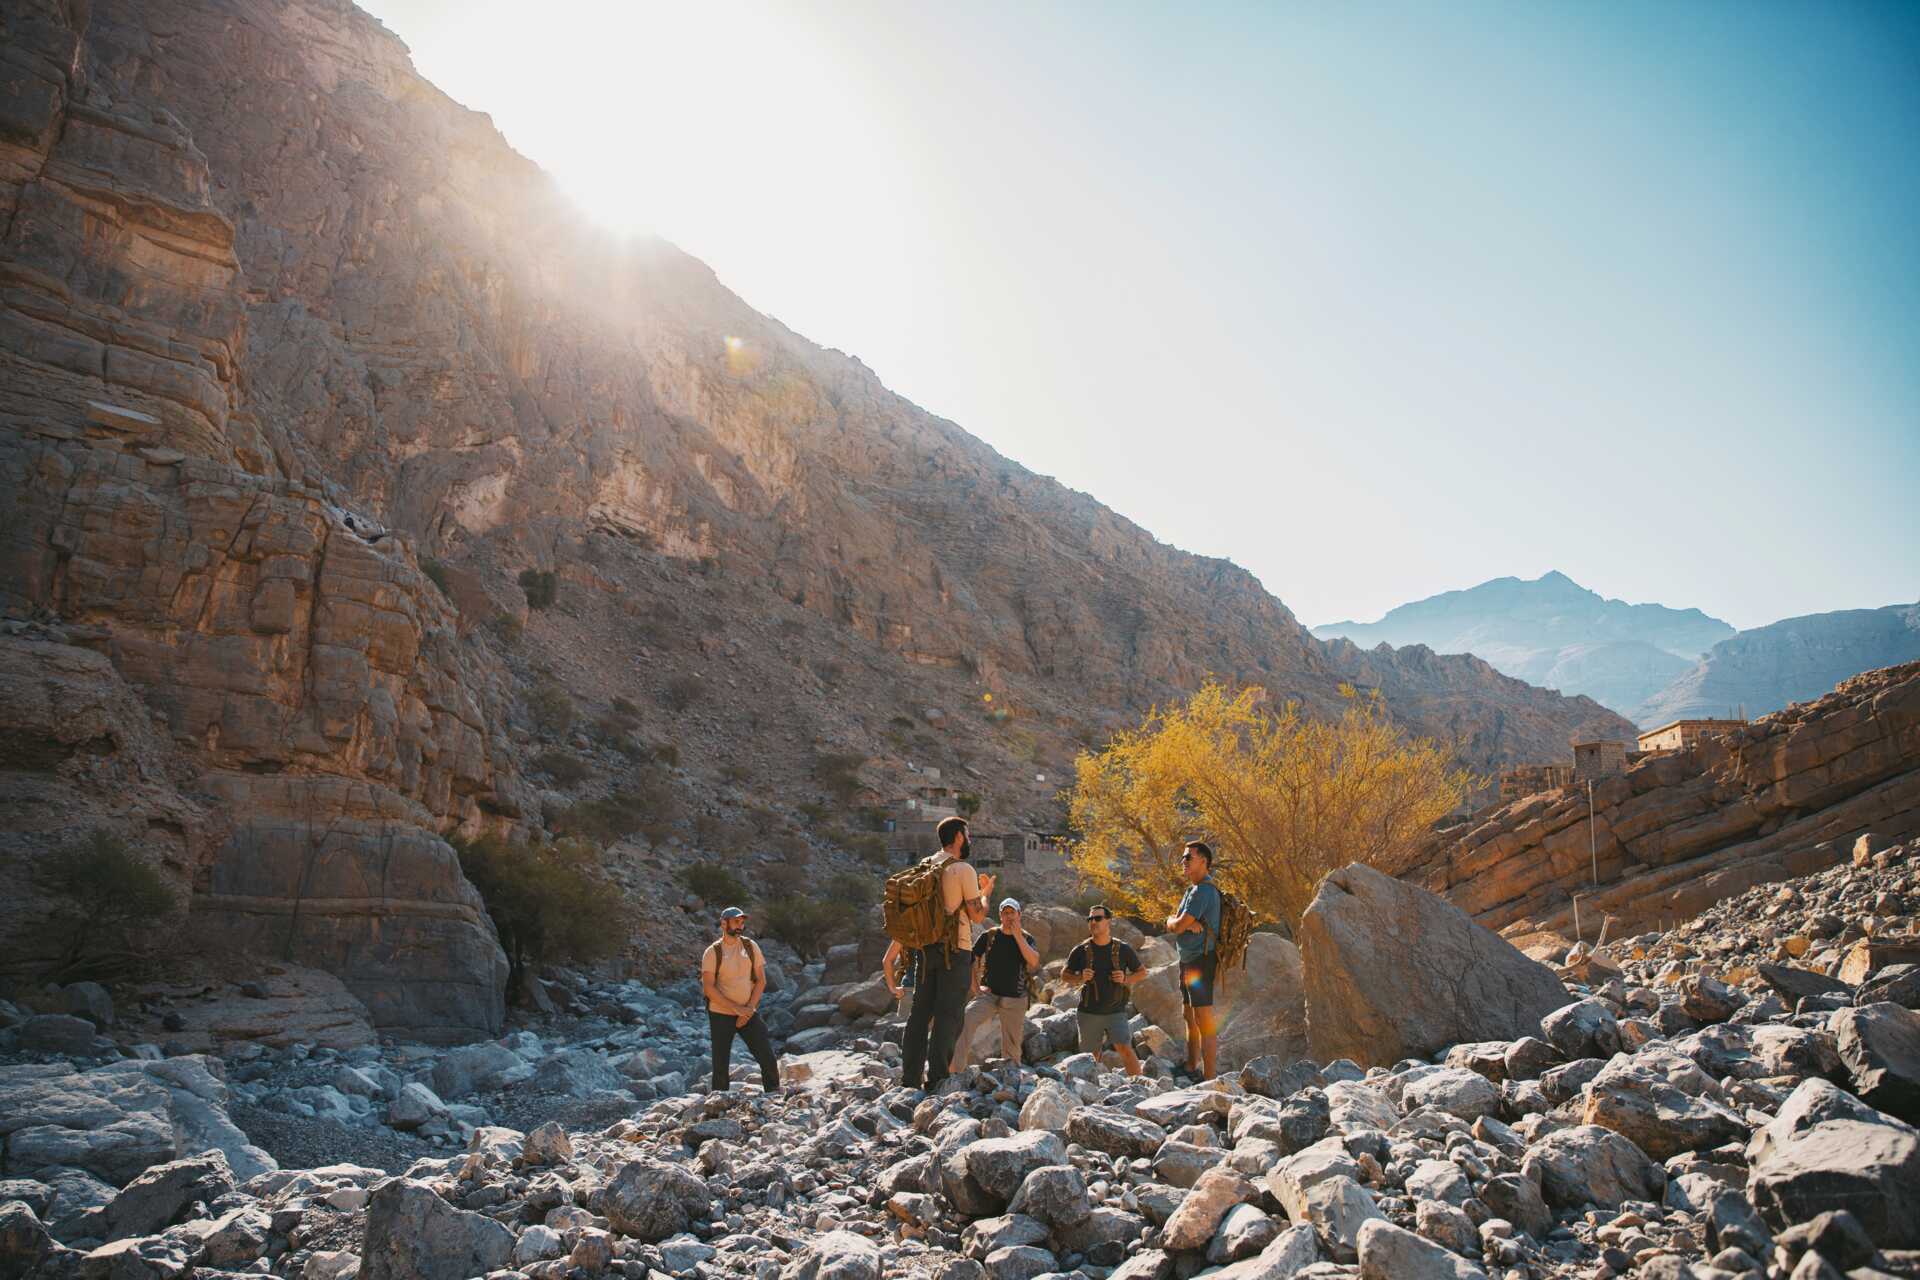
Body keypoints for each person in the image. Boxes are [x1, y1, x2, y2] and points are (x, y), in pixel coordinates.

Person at [900, 816, 992, 1092]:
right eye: (968, 834)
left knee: (919, 1014)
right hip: (955, 948)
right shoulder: (962, 869)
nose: (970, 839)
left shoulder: (925, 866)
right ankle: (938, 1078)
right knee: (949, 1014)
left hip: (925, 950)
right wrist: (986, 894)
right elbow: (976, 915)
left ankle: (909, 1079)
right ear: (959, 837)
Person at [951, 898, 1040, 1071]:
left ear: (1019, 914)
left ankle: (1010, 1079)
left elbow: (1033, 961)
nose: (1009, 917)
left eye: (1012, 913)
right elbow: (972, 959)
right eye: (1005, 913)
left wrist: (1017, 936)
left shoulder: (1027, 938)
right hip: (989, 995)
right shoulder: (989, 935)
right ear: (1000, 915)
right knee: (966, 1019)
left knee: (1012, 1047)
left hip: (1015, 998)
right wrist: (975, 987)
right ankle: (955, 1071)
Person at [700, 906, 779, 1094]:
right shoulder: (712, 952)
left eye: (742, 922)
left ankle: (774, 1095)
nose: (740, 926)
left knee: (767, 1057)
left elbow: (761, 980)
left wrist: (749, 1009)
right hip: (720, 1014)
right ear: (723, 923)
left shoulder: (751, 947)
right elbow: (708, 988)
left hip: (748, 1012)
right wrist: (737, 1009)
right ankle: (718, 1105)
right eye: (736, 921)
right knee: (720, 1066)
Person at [1063, 904, 1146, 1076]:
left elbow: (1142, 972)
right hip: (1088, 1011)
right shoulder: (1081, 950)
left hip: (1116, 1011)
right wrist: (1080, 978)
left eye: (1098, 918)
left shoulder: (1123, 949)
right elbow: (1065, 975)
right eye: (1090, 919)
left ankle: (1140, 1086)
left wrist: (1125, 979)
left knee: (1125, 1049)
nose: (1093, 922)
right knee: (1090, 1056)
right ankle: (1089, 1093)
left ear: (1109, 921)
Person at [1165, 840, 1224, 1081]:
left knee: (1204, 1020)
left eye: (1188, 857)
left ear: (1204, 861)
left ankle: (1210, 1080)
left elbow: (1176, 925)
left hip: (1200, 961)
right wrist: (1178, 922)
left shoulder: (1203, 891)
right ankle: (1191, 1066)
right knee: (1189, 1015)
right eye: (1183, 857)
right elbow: (1179, 924)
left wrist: (1172, 921)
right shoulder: (1192, 890)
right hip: (1188, 959)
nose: (1184, 862)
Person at [883, 938, 919, 1018]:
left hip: (911, 991)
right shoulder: (905, 930)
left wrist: (893, 988)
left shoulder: (905, 931)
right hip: (912, 991)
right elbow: (887, 961)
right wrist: (893, 988)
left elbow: (887, 960)